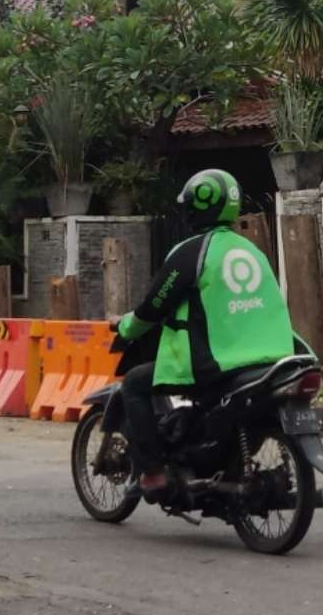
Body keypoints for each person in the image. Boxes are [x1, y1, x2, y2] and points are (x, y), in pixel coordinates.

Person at [115, 169, 297, 498]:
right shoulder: (252, 251)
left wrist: (126, 326)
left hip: (220, 361)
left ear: (196, 208)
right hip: (275, 357)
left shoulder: (191, 252)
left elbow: (155, 305)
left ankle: (154, 474)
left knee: (134, 385)